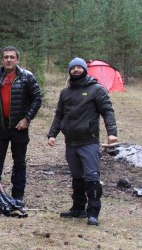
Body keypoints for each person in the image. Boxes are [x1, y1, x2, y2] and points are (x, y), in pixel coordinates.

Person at [47, 58, 118, 226]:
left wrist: (112, 133)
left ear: (85, 70)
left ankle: (93, 212)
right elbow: (59, 114)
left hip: (89, 141)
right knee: (77, 177)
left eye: (80, 67)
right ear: (69, 71)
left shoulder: (96, 90)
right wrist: (52, 134)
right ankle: (78, 208)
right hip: (70, 142)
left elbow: (107, 111)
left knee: (91, 177)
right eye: (73, 68)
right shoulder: (65, 92)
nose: (76, 70)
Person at [0, 46, 42, 205]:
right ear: (2, 60)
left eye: (12, 57)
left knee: (19, 162)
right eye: (6, 57)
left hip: (19, 128)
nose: (9, 60)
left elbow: (37, 99)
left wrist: (27, 119)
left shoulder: (27, 77)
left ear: (17, 60)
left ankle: (17, 196)